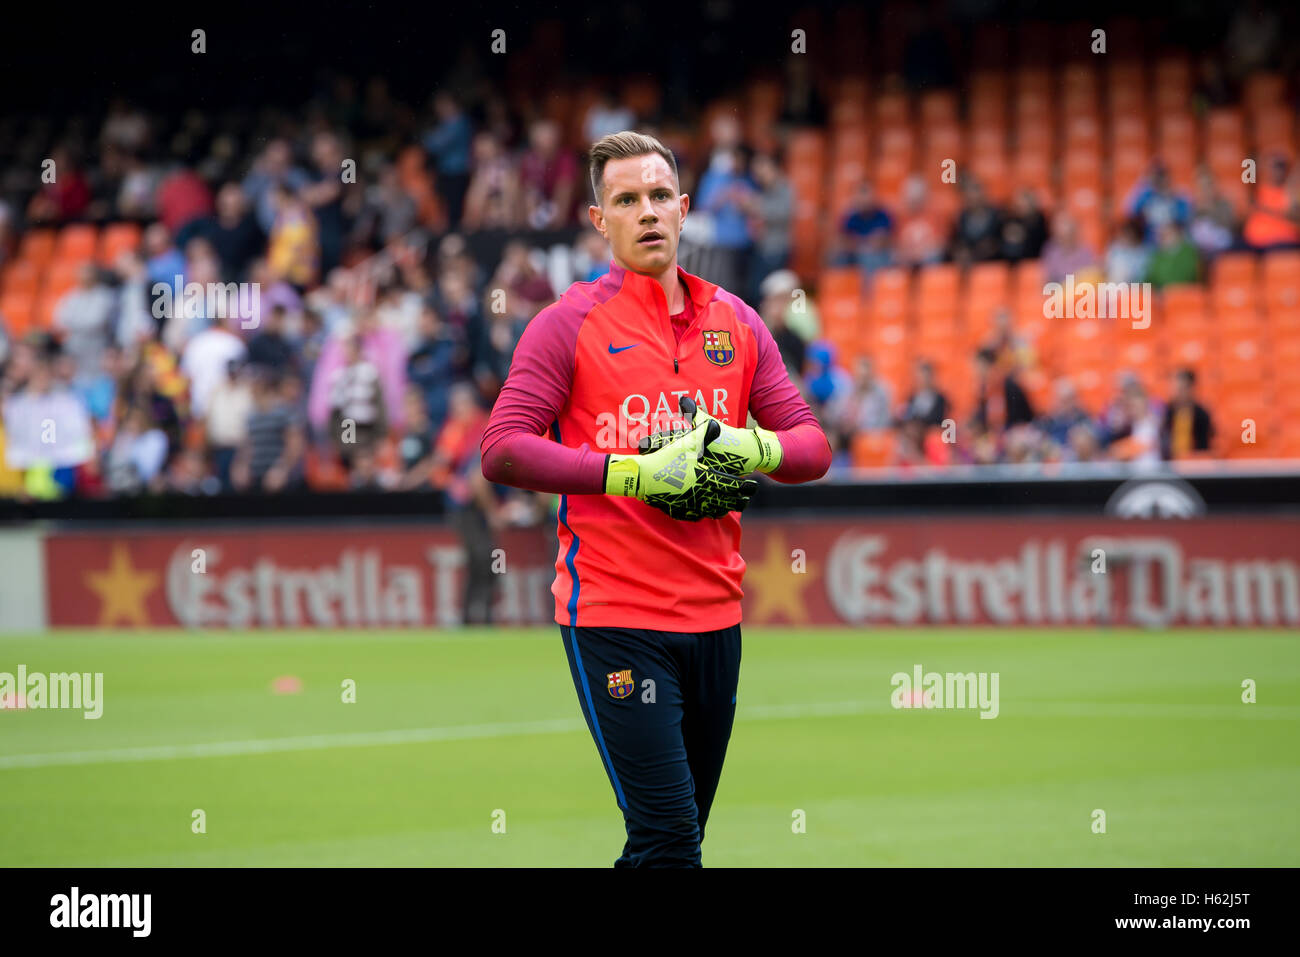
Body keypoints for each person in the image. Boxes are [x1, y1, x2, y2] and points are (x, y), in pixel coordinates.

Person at [480, 131, 830, 867]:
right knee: (672, 840)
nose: (647, 212)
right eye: (626, 200)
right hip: (614, 614)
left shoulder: (737, 321)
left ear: (685, 209)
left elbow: (812, 445)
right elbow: (503, 447)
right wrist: (632, 473)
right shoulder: (564, 325)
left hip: (716, 615)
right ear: (597, 219)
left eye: (660, 196)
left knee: (667, 842)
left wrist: (746, 446)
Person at [1162, 368, 1214, 459]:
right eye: (1176, 389)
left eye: (1182, 389)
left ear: (1191, 388)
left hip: (1193, 463)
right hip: (1170, 463)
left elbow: (1204, 446)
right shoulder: (1168, 411)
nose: (1178, 393)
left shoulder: (1201, 414)